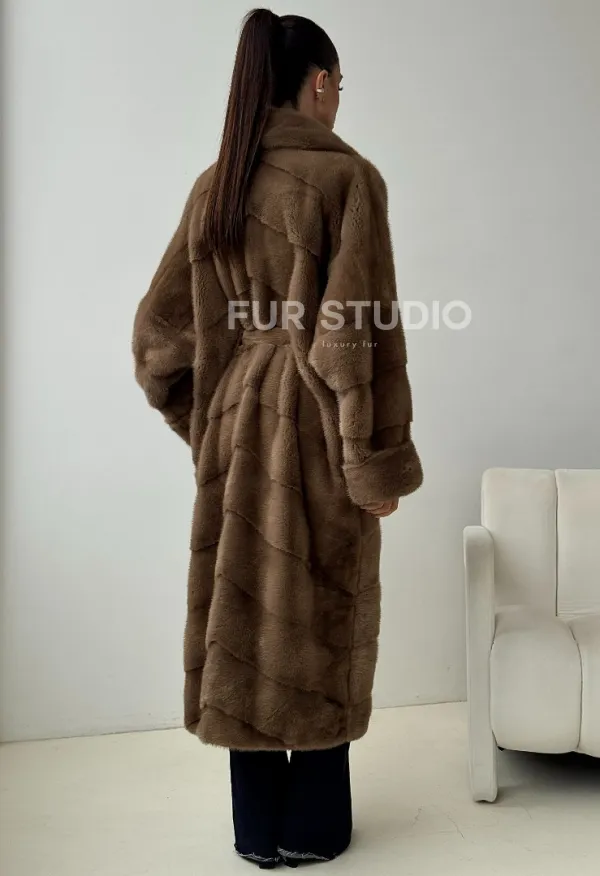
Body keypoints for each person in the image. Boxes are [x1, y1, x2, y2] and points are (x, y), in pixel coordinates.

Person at [132, 8, 423, 868]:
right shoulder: (346, 179)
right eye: (340, 84)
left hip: (235, 414)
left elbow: (157, 341)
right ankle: (316, 829)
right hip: (315, 422)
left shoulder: (216, 183)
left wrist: (208, 422)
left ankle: (257, 830)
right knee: (321, 606)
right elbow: (354, 340)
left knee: (244, 611)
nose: (339, 99)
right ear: (320, 82)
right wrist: (372, 464)